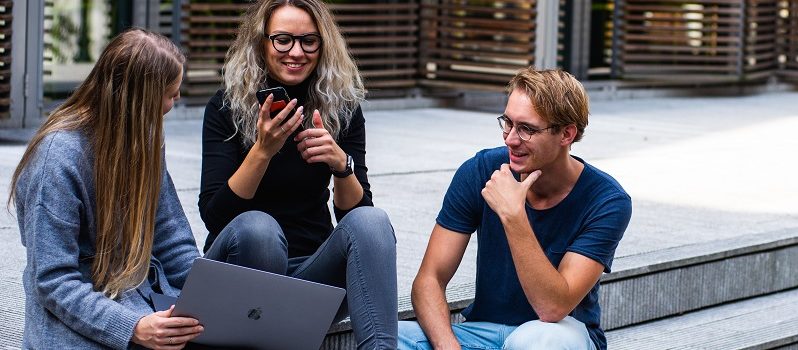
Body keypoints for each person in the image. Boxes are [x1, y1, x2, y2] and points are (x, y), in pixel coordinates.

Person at [198, 0, 397, 348]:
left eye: (309, 41)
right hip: (241, 274)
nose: (296, 52)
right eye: (283, 39)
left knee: (374, 222)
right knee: (259, 228)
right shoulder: (225, 107)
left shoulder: (341, 108)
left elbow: (356, 215)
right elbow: (215, 217)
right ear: (262, 42)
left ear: (323, 45)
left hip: (310, 277)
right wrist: (262, 151)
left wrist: (340, 164)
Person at [398, 67, 633, 350]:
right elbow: (429, 280)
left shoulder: (606, 201)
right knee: (392, 336)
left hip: (558, 335)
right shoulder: (481, 170)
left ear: (566, 134)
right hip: (482, 333)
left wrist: (513, 214)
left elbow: (553, 308)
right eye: (507, 123)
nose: (510, 138)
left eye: (527, 129)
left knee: (539, 341)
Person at [11, 29, 203, 349]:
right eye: (171, 93)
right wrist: (133, 327)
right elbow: (53, 281)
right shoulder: (56, 159)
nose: (177, 100)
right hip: (81, 308)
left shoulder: (146, 138)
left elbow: (171, 236)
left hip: (139, 290)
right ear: (140, 100)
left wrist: (203, 300)